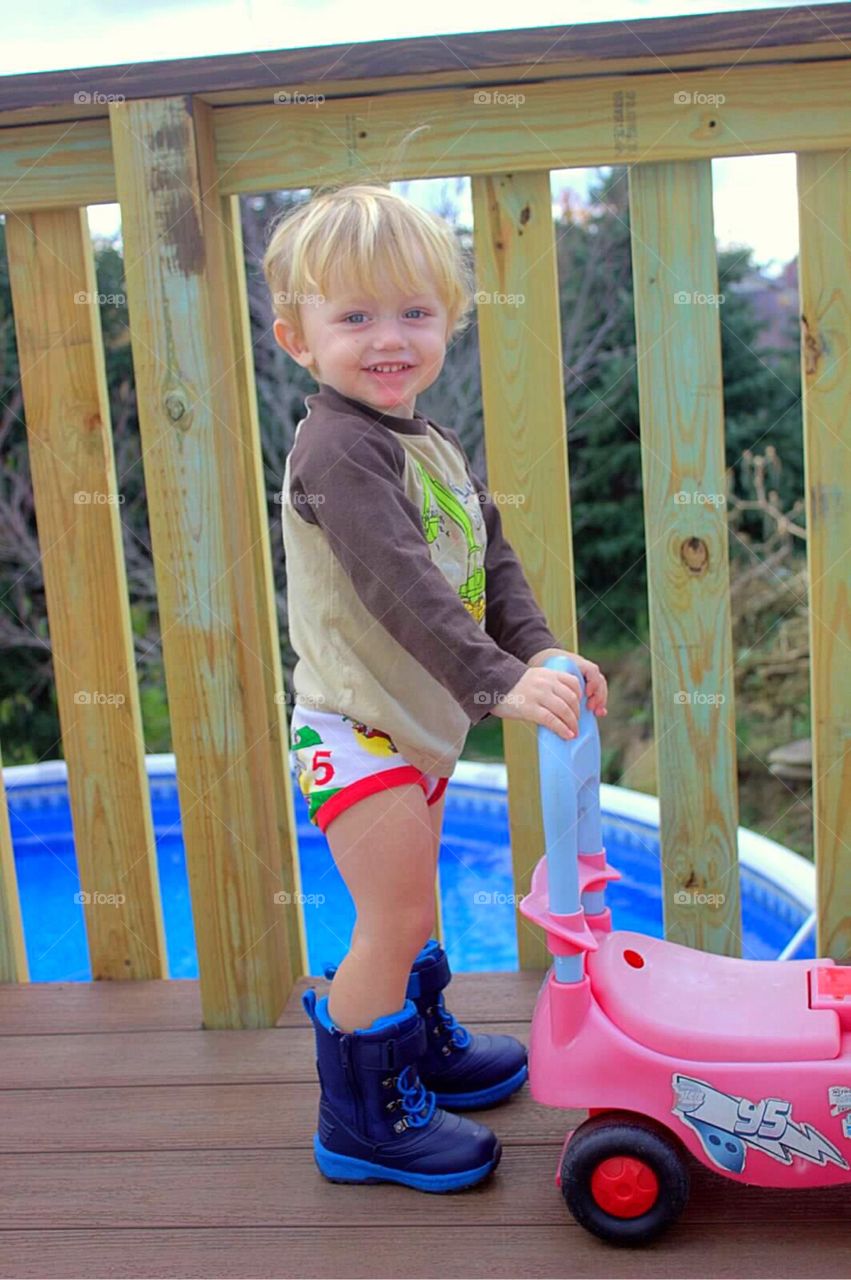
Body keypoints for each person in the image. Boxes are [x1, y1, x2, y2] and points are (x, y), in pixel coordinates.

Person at [263, 181, 608, 1194]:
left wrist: (536, 648)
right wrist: (493, 680)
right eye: (354, 315)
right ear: (296, 336)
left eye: (413, 312)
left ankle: (414, 1043)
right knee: (394, 912)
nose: (388, 337)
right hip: (352, 728)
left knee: (416, 908)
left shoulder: (426, 441)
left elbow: (486, 560)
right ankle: (360, 1115)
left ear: (446, 323)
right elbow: (402, 586)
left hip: (412, 730)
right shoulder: (337, 449)